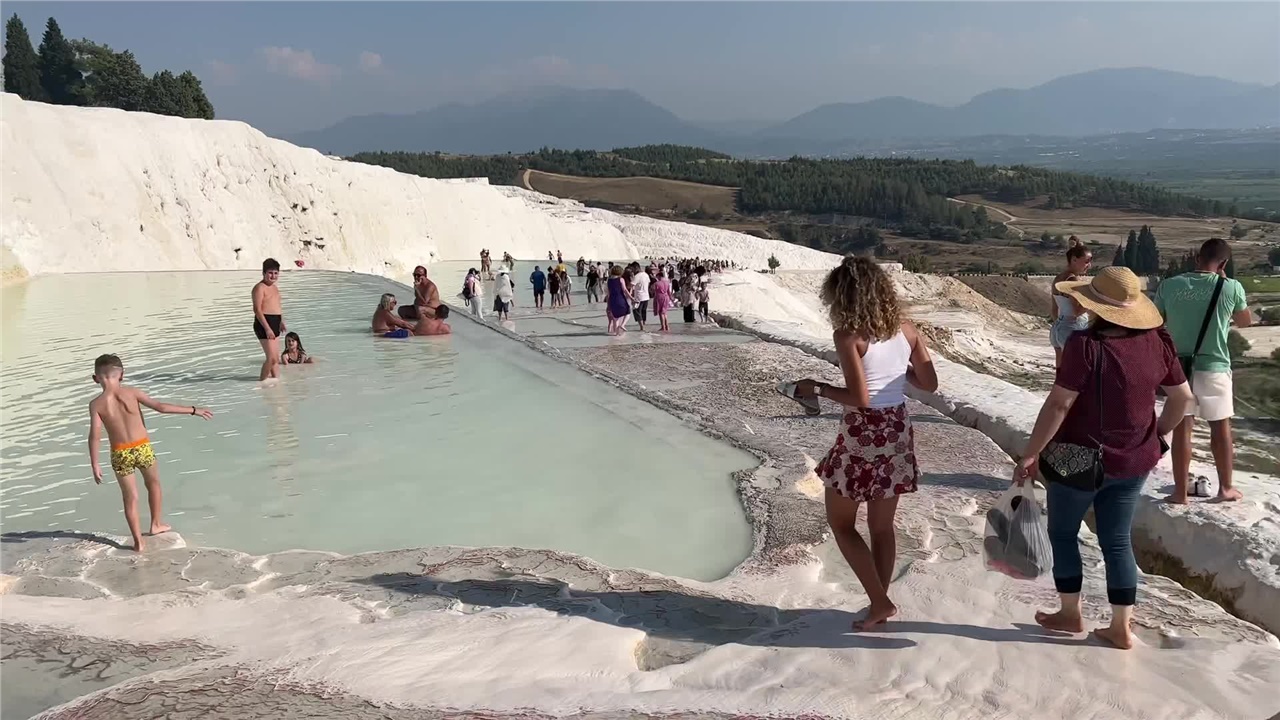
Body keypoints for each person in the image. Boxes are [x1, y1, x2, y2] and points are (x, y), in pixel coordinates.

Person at [1015, 266, 1194, 649]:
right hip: (1135, 461)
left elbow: (1060, 404)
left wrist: (1030, 454)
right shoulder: (1158, 340)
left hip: (1077, 461)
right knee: (1117, 541)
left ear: (1093, 304)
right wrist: (1157, 433)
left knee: (1063, 534)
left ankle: (1069, 613)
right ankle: (1120, 628)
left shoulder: (1085, 345)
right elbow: (1182, 398)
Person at [792, 256, 938, 630]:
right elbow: (929, 384)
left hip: (864, 433)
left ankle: (879, 603)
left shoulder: (848, 336)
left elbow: (859, 397)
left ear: (843, 297)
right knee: (882, 527)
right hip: (898, 430)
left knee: (841, 523)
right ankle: (879, 605)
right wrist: (896, 371)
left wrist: (817, 388)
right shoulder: (906, 329)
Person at [1155, 237, 1251, 503]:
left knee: (1183, 427)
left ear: (1197, 258)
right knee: (1221, 427)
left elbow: (1155, 322)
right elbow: (1245, 322)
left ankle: (1179, 493)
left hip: (1177, 368)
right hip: (1214, 365)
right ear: (1224, 263)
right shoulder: (1231, 287)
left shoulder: (1170, 285)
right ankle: (1225, 489)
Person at [87, 354, 213, 552]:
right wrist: (193, 410)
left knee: (130, 497)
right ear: (122, 375)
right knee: (153, 484)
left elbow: (95, 435)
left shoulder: (96, 404)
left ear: (95, 378)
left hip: (120, 453)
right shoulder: (132, 393)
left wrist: (95, 463)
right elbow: (161, 408)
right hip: (142, 447)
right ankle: (156, 524)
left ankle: (138, 542)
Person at [1051, 239, 1093, 367]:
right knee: (1077, 372)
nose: (1089, 265)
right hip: (1074, 327)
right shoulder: (1073, 280)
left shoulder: (1058, 278)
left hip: (1057, 329)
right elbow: (1076, 312)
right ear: (1074, 259)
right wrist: (1091, 302)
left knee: (1060, 374)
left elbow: (1054, 310)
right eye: (1086, 261)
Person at [252, 258, 286, 381]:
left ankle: (276, 382)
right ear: (264, 273)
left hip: (275, 322)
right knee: (271, 358)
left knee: (276, 358)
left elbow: (277, 306)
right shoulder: (260, 287)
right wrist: (267, 328)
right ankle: (261, 382)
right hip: (264, 323)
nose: (273, 276)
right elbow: (257, 310)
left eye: (276, 273)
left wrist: (281, 321)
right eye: (270, 273)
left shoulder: (275, 288)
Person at [606, 264, 633, 336]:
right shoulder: (621, 279)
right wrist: (631, 298)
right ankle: (623, 325)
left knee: (615, 318)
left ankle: (616, 334)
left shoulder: (609, 280)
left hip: (612, 300)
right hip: (620, 298)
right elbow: (625, 290)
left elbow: (608, 293)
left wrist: (608, 304)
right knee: (627, 311)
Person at [631, 261, 651, 331]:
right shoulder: (646, 275)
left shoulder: (637, 276)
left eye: (632, 269)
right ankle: (644, 324)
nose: (632, 271)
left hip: (639, 296)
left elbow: (632, 286)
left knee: (637, 311)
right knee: (643, 311)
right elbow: (648, 284)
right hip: (646, 296)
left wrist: (631, 297)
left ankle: (641, 327)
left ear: (636, 268)